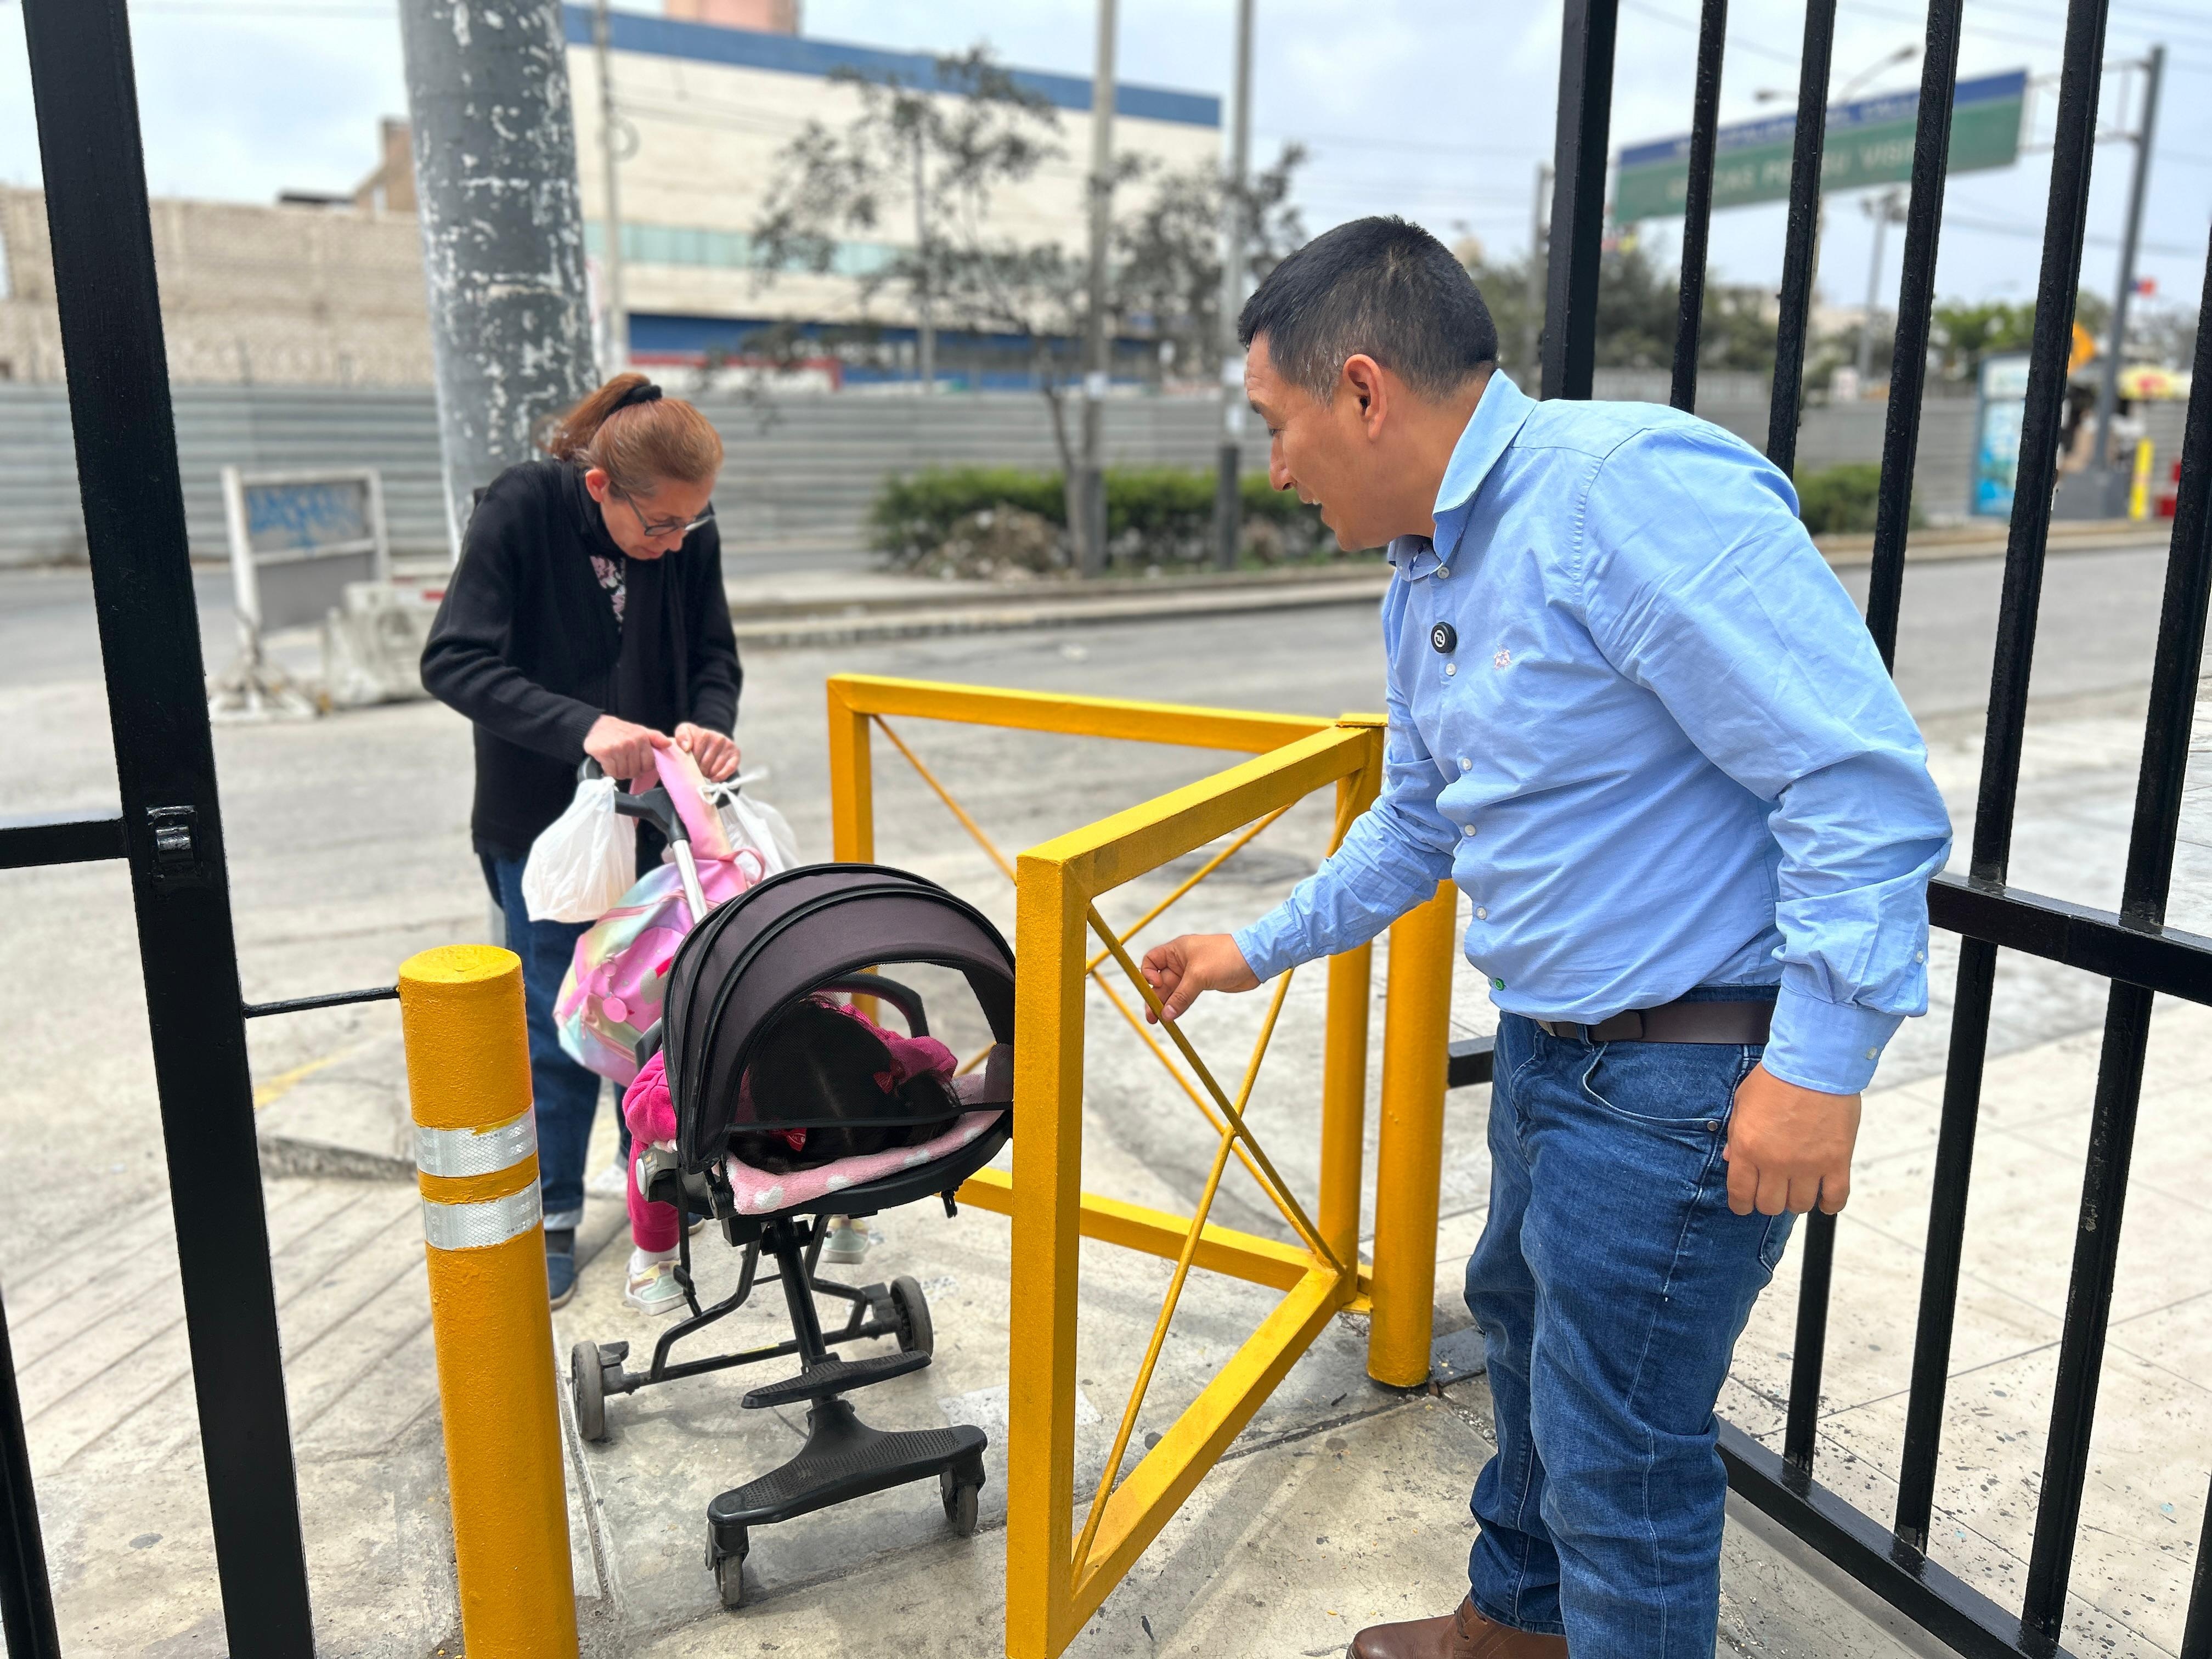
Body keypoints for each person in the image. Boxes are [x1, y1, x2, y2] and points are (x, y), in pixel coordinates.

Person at [1138, 218, 1951, 1659]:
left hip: (1685, 1080)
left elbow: (1853, 781)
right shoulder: (1430, 570)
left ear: (1366, 392)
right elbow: (1419, 823)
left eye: (1277, 423)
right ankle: (1513, 1630)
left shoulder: (1620, 498)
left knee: (1620, 1458)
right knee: (1523, 1343)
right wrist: (1250, 948)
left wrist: (1820, 1063)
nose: (1274, 465)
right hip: (1555, 1055)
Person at [422, 372, 742, 1311]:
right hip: (543, 820)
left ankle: (655, 1192)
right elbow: (453, 659)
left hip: (657, 815)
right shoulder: (523, 508)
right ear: (601, 486)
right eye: (661, 528)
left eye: (693, 524)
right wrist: (584, 728)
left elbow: (715, 654)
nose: (677, 543)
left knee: (657, 1010)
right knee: (558, 1021)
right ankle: (551, 1216)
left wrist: (708, 724)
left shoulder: (686, 527)